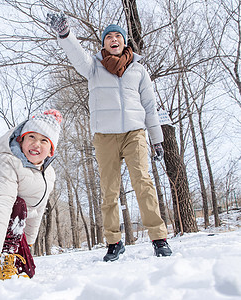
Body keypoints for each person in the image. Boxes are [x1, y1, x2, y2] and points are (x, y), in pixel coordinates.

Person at [47, 13, 172, 261]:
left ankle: (159, 238)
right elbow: (76, 55)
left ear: (124, 42)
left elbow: (149, 105)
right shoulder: (93, 67)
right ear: (103, 43)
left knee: (143, 183)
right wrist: (65, 34)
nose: (113, 39)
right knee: (109, 190)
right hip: (105, 136)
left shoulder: (138, 70)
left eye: (118, 36)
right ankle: (114, 242)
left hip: (134, 132)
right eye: (108, 37)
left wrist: (157, 139)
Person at [0, 109, 62, 282]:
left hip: (15, 220)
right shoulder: (8, 162)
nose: (36, 144)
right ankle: (1, 258)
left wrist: (28, 243)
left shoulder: (49, 174)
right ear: (20, 139)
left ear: (51, 150)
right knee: (18, 204)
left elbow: (36, 211)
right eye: (31, 137)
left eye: (44, 140)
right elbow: (0, 205)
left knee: (27, 271)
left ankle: (11, 259)